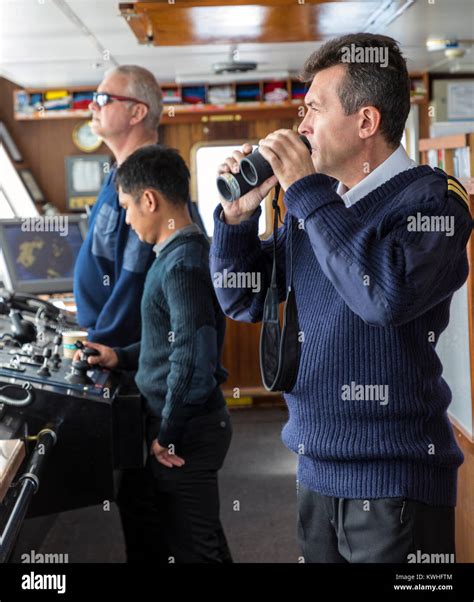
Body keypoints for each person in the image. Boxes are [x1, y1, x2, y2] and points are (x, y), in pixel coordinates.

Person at [210, 33, 473, 563]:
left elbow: (385, 295)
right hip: (315, 469)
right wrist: (237, 221)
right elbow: (242, 300)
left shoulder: (436, 201)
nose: (301, 126)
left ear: (366, 122)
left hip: (397, 479)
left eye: (314, 109)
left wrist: (306, 194)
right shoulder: (318, 208)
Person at [80, 144, 233, 564]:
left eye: (128, 206)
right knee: (199, 538)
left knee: (194, 549)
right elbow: (167, 345)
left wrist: (167, 433)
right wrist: (119, 356)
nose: (127, 217)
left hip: (187, 430)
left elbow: (194, 362)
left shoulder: (182, 264)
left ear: (150, 200)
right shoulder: (173, 256)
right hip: (184, 422)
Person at [74, 64, 200, 347]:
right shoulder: (119, 175)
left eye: (105, 99)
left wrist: (107, 344)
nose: (93, 104)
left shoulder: (146, 184)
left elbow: (134, 278)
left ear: (137, 113)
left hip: (125, 354)